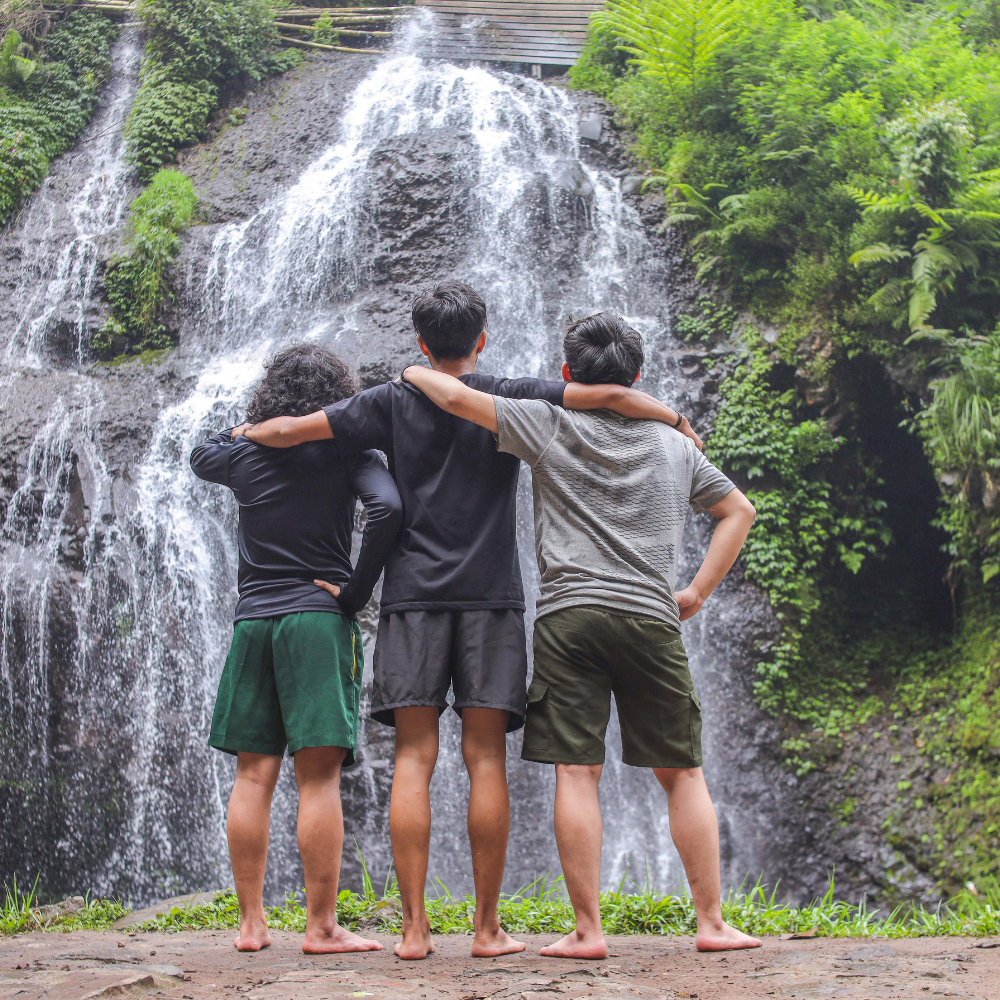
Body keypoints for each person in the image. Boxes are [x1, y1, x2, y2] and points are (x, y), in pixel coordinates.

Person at [231, 282, 700, 960]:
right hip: (491, 600)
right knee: (486, 761)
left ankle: (415, 930)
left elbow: (292, 430)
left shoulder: (388, 400)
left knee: (414, 761)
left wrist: (248, 434)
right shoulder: (507, 396)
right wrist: (676, 420)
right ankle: (486, 930)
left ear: (421, 342)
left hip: (412, 600)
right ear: (481, 339)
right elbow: (610, 397)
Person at [400, 311, 762, 959]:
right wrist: (696, 592)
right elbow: (739, 509)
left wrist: (408, 368)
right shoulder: (676, 446)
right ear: (638, 376)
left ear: (567, 375)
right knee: (682, 773)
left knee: (577, 771)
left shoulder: (548, 421)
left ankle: (589, 931)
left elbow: (453, 395)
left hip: (568, 618)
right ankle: (711, 923)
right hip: (652, 616)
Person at [190, 344, 402, 955]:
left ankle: (252, 925)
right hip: (316, 618)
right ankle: (321, 927)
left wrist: (247, 429)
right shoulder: (348, 450)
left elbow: (201, 453)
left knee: (252, 776)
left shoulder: (244, 452)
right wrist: (358, 591)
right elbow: (387, 507)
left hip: (253, 620)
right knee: (318, 781)